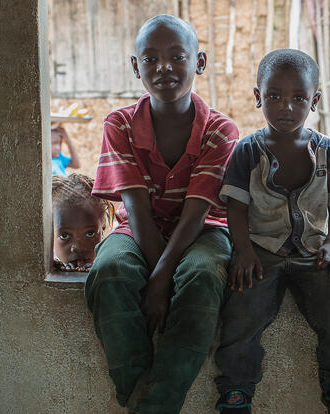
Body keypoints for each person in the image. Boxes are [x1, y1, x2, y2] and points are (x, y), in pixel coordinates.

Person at [84, 14, 239, 413]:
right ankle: (148, 400)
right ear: (135, 67)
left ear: (199, 63)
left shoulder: (221, 131)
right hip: (138, 229)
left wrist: (160, 281)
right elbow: (134, 208)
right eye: (150, 59)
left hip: (202, 229)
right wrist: (160, 280)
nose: (163, 67)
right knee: (110, 272)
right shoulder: (120, 123)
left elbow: (196, 211)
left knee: (205, 276)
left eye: (177, 56)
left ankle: (152, 406)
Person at [213, 49, 330, 414]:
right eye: (274, 96)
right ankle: (236, 391)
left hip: (313, 251)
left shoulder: (327, 151)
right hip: (261, 250)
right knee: (243, 308)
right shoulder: (247, 151)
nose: (286, 107)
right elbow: (236, 206)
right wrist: (243, 251)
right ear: (257, 96)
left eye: (299, 98)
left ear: (315, 101)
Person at [52, 173, 114, 272]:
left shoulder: (112, 263)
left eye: (90, 234)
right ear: (50, 236)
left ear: (102, 230)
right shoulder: (48, 266)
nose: (79, 248)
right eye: (64, 236)